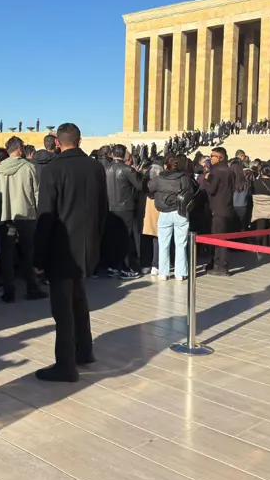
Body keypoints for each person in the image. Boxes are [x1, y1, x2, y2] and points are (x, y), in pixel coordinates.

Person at [34, 123, 106, 382]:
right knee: (78, 300)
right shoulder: (96, 167)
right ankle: (84, 351)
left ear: (57, 141)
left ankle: (65, 365)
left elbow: (45, 216)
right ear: (79, 139)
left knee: (62, 308)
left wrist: (38, 257)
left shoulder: (54, 169)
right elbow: (102, 209)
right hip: (86, 247)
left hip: (61, 250)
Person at [0, 136, 47, 302]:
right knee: (27, 253)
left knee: (7, 255)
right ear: (20, 149)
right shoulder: (29, 168)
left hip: (6, 215)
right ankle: (32, 287)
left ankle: (9, 291)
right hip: (26, 214)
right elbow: (36, 192)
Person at [148, 153, 194, 281]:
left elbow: (149, 190)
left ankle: (163, 272)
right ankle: (180, 273)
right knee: (181, 244)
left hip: (164, 213)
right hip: (180, 212)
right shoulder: (184, 177)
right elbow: (189, 192)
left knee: (163, 244)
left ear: (165, 165)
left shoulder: (158, 179)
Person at [104, 144, 141, 279]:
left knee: (112, 238)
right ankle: (125, 268)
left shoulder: (105, 169)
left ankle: (112, 267)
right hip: (125, 207)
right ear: (124, 154)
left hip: (110, 208)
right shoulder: (127, 170)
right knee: (125, 238)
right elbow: (140, 185)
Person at [203, 147, 233, 276]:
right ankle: (220, 263)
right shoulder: (229, 170)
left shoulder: (217, 171)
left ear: (220, 157)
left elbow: (211, 190)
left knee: (218, 239)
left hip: (217, 209)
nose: (211, 158)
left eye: (213, 156)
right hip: (227, 207)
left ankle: (221, 266)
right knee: (222, 237)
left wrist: (206, 179)